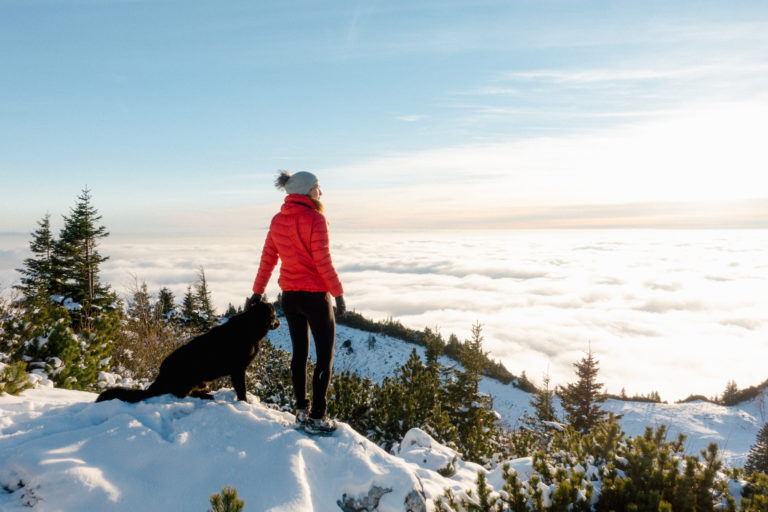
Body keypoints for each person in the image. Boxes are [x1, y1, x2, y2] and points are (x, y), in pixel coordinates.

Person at [249, 170, 346, 435]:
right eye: (317, 187)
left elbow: (268, 258)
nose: (320, 192)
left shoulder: (278, 220)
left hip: (290, 298)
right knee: (324, 356)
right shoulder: (316, 218)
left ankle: (301, 412)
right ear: (305, 191)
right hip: (315, 297)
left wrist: (257, 291)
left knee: (299, 354)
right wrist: (338, 293)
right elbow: (322, 260)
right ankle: (317, 417)